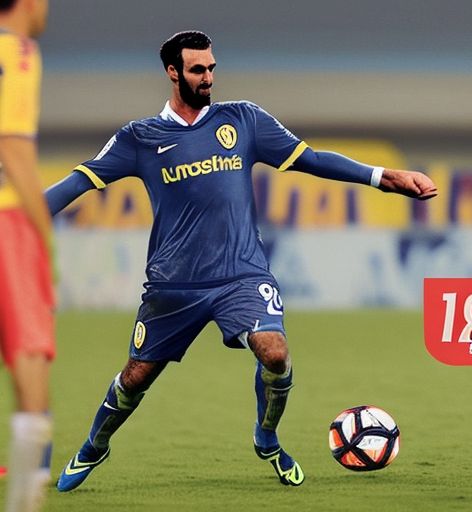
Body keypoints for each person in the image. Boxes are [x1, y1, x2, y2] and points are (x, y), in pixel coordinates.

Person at [47, 30, 437, 492]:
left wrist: (383, 177)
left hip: (241, 275)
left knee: (274, 351)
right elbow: (78, 182)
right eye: (197, 69)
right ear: (173, 72)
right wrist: (19, 218)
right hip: (174, 284)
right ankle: (95, 445)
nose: (208, 76)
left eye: (212, 67)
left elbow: (309, 159)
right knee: (135, 377)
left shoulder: (244, 120)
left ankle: (266, 436)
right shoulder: (140, 137)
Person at [0, 0, 53, 510]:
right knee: (30, 357)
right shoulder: (17, 52)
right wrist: (43, 235)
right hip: (6, 219)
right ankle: (23, 503)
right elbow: (13, 149)